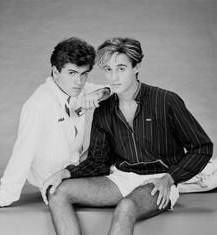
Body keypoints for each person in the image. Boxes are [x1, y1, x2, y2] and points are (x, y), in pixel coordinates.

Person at [42, 37, 213, 235]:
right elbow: (98, 162)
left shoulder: (166, 100)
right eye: (108, 69)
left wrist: (170, 178)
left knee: (126, 207)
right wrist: (67, 172)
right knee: (57, 192)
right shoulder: (104, 110)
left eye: (121, 68)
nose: (114, 77)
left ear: (136, 67)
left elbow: (202, 147)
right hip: (121, 179)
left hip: (158, 179)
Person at [0, 37, 110, 208]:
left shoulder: (77, 89)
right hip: (52, 178)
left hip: (74, 167)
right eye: (72, 73)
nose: (79, 82)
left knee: (116, 111)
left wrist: (100, 93)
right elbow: (23, 152)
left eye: (84, 74)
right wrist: (2, 199)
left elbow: (113, 89)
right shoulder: (39, 104)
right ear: (55, 72)